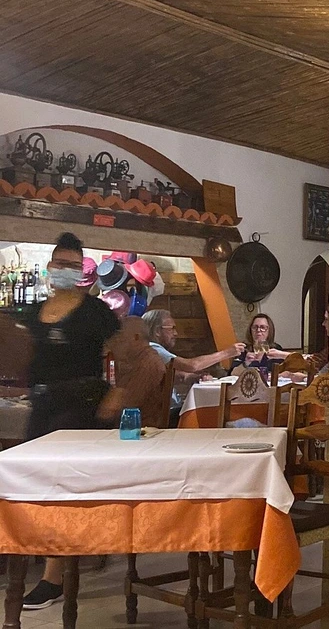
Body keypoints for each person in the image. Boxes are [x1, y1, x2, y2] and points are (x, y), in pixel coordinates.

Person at [18, 232, 121, 610]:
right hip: (41, 404)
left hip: (80, 406)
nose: (65, 271)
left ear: (83, 271)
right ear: (50, 266)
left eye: (74, 266)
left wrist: (117, 395)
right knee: (30, 485)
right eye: (60, 264)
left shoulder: (97, 313)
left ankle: (52, 578)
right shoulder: (32, 314)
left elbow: (132, 355)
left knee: (57, 487)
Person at [141, 309, 244, 408]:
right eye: (172, 328)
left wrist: (193, 377)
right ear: (157, 331)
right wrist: (227, 353)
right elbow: (191, 365)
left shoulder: (152, 350)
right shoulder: (152, 349)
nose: (175, 333)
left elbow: (171, 376)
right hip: (163, 414)